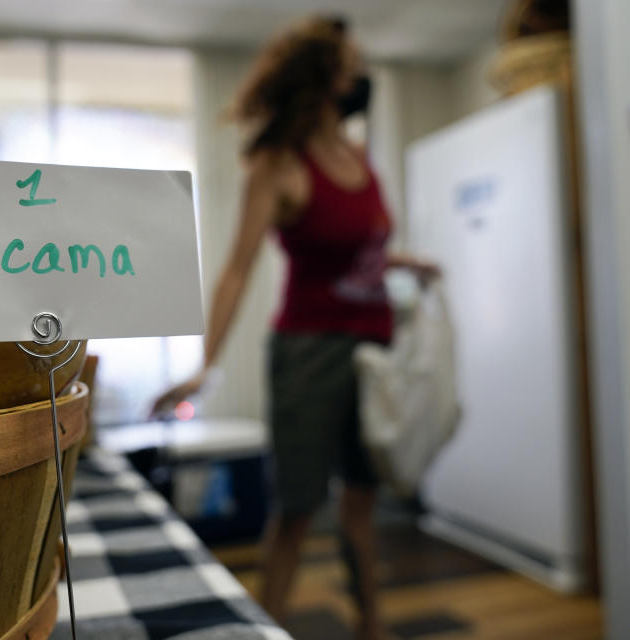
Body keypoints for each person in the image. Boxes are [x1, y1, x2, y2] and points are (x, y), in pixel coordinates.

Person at [151, 17, 437, 640]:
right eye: (350, 66)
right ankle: (264, 629)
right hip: (311, 353)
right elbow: (236, 270)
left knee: (362, 506)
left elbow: (357, 249)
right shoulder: (278, 166)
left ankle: (373, 627)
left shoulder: (359, 156)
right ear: (326, 80)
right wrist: (205, 365)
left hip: (375, 351)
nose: (360, 77)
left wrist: (405, 261)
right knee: (298, 510)